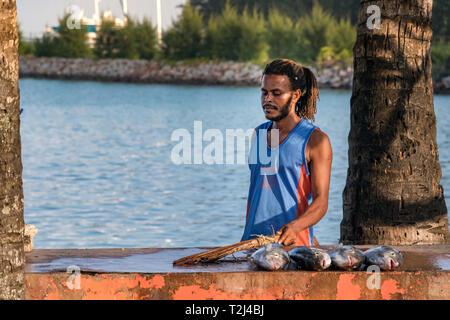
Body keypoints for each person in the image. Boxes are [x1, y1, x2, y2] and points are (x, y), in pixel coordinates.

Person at [241, 59, 332, 247]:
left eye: (276, 93)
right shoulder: (258, 134)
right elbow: (260, 194)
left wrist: (296, 227)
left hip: (292, 247)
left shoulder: (316, 140)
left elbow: (321, 202)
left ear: (296, 95)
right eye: (264, 92)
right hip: (252, 245)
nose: (267, 99)